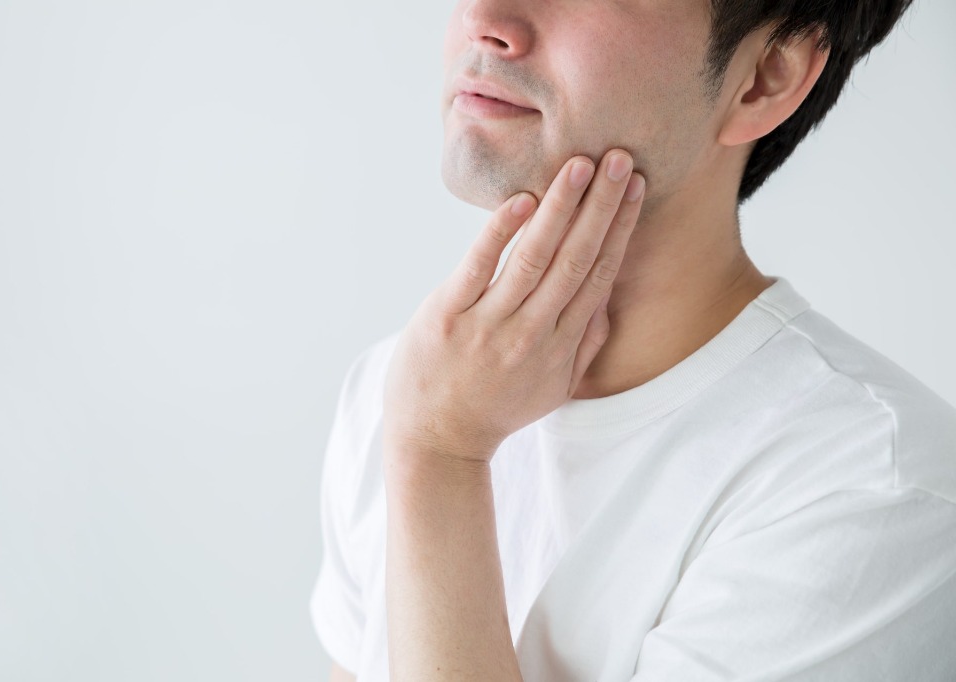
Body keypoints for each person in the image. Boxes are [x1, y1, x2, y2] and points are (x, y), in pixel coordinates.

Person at [310, 0, 956, 679]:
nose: (484, 18)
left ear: (764, 79)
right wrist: (430, 436)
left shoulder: (875, 489)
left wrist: (440, 458)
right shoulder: (402, 390)